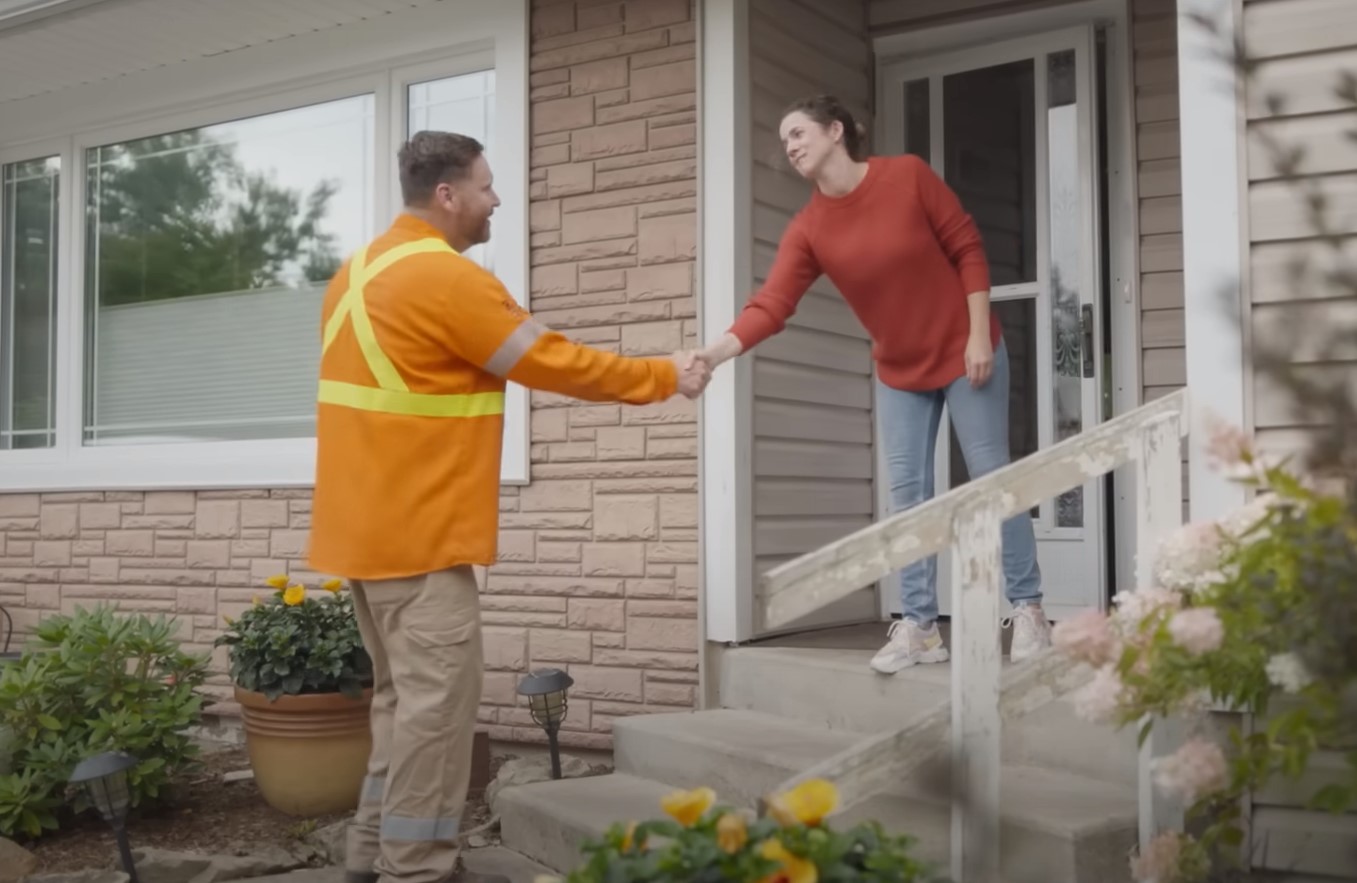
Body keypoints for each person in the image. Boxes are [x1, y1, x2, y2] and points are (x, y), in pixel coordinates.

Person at [308, 130, 709, 883]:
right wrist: (663, 375)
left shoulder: (354, 273)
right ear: (447, 195)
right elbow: (551, 359)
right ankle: (418, 867)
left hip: (364, 537)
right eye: (487, 186)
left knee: (400, 704)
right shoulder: (444, 278)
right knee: (435, 716)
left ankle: (371, 852)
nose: (497, 200)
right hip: (419, 541)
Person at [697, 95, 1052, 675]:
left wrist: (978, 336)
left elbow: (967, 247)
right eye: (784, 139)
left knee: (992, 480)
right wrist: (715, 353)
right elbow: (772, 305)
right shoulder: (809, 228)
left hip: (969, 353)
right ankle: (920, 627)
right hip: (900, 369)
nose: (789, 145)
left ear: (836, 131)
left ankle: (1030, 609)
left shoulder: (906, 176)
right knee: (907, 493)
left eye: (798, 132)